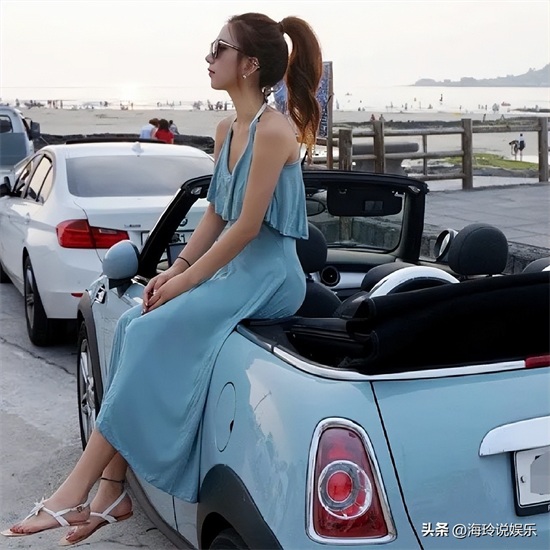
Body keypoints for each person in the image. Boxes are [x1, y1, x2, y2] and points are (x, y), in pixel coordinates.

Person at [2, 11, 322, 545]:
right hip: (235, 270)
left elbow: (247, 228)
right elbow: (215, 215)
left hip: (269, 274)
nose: (208, 57)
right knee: (133, 325)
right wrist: (173, 270)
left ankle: (73, 492)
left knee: (149, 329)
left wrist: (185, 284)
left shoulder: (274, 130)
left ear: (248, 64)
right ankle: (111, 490)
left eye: (219, 48)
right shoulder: (227, 129)